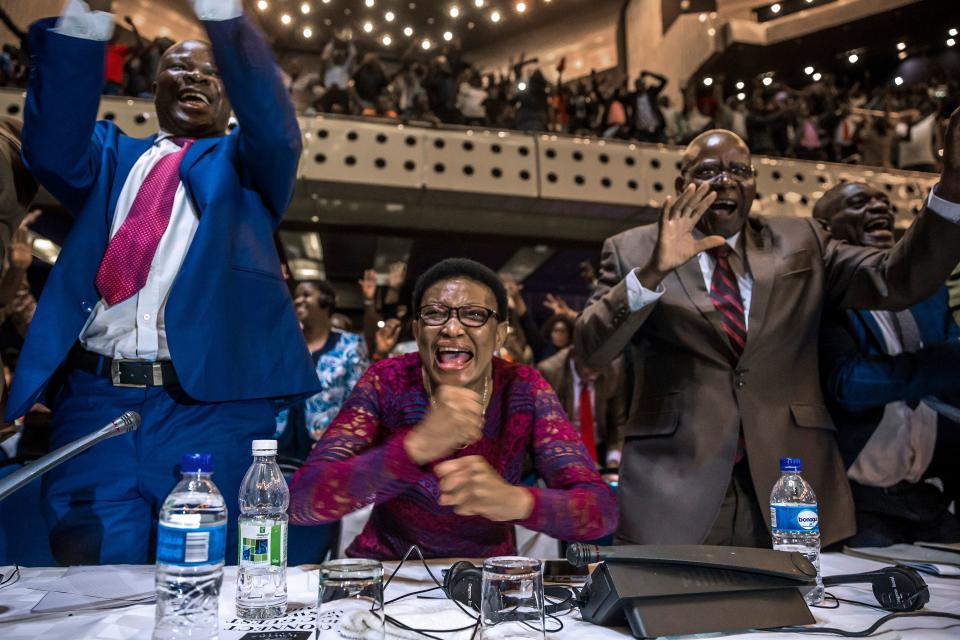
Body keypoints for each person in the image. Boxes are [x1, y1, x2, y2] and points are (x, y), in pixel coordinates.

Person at [9, 0, 319, 565]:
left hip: (211, 404)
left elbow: (275, 130)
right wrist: (88, 15)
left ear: (230, 94)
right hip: (97, 397)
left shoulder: (248, 166)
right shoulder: (109, 157)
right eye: (179, 66)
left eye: (211, 71)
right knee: (90, 574)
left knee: (203, 579)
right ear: (153, 87)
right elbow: (51, 145)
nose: (196, 76)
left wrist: (223, 15)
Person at [575, 118, 960, 549]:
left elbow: (897, 279)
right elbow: (590, 352)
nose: (725, 180)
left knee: (807, 615)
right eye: (706, 171)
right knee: (677, 613)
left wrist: (953, 186)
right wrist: (654, 270)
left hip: (791, 478)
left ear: (754, 183)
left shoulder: (802, 240)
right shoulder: (632, 248)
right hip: (677, 486)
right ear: (681, 183)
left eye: (739, 170)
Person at [289, 258, 617, 559]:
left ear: (500, 333)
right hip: (388, 574)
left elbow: (602, 512)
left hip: (485, 582)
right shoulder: (387, 381)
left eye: (474, 314)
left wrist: (517, 501)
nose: (452, 328)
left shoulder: (524, 388)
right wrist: (414, 448)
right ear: (418, 331)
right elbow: (302, 501)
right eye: (435, 313)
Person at [814, 182, 960, 547]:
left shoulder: (931, 290)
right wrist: (944, 363)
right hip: (860, 504)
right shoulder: (819, 294)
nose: (881, 209)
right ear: (823, 226)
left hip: (933, 495)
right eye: (860, 203)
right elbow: (850, 385)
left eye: (885, 203)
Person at [276, 280, 370, 467]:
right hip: (278, 451)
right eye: (295, 296)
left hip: (323, 453)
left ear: (327, 302)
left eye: (306, 294)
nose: (297, 300)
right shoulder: (284, 345)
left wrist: (341, 439)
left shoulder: (350, 345)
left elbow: (362, 403)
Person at [537, 345, 627, 470]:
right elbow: (545, 428)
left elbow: (618, 423)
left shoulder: (613, 369)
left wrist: (613, 460)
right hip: (563, 450)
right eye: (589, 367)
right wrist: (576, 459)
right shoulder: (550, 372)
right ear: (575, 355)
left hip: (600, 448)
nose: (594, 375)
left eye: (599, 368)